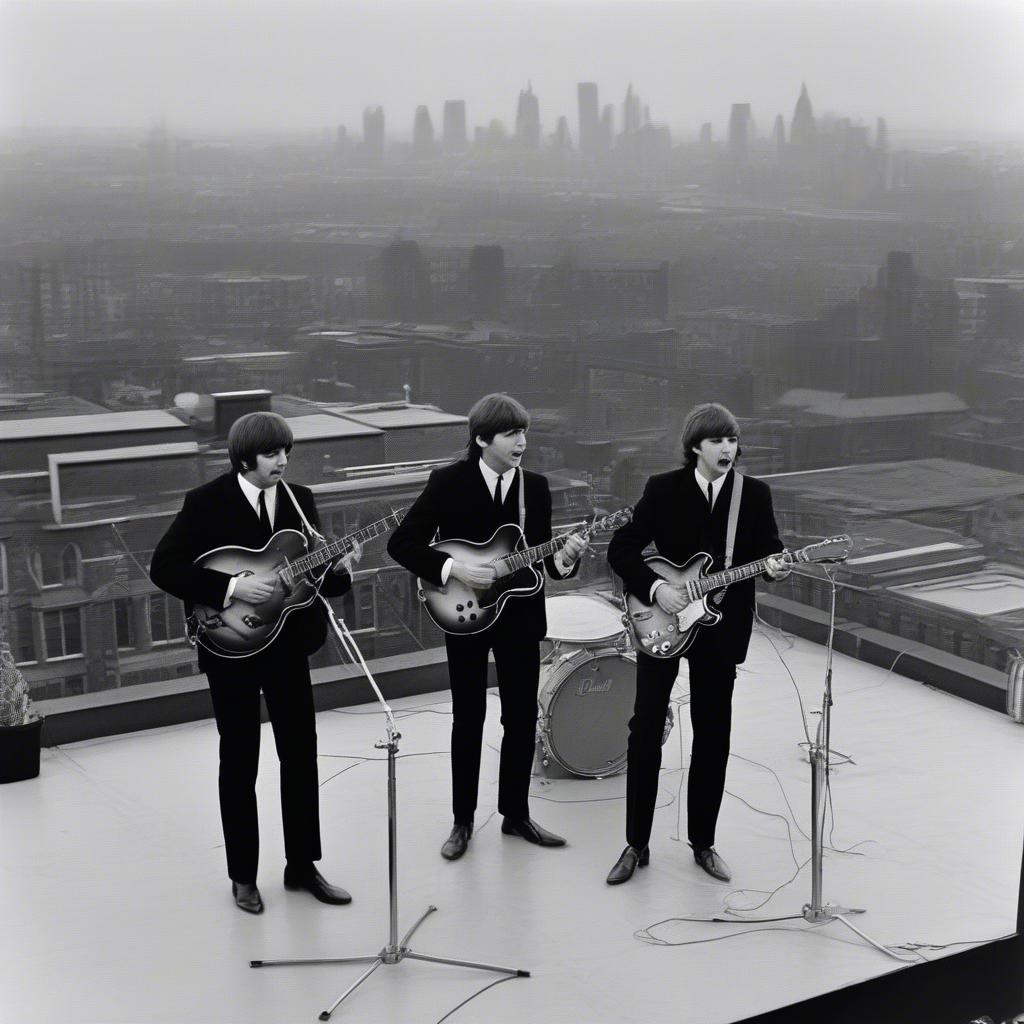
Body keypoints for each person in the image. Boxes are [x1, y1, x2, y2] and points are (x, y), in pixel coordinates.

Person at [150, 411, 360, 914]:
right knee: (240, 761)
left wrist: (342, 571)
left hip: (287, 648)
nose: (282, 461)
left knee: (300, 754)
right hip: (230, 649)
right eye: (272, 454)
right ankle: (243, 876)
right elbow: (164, 567)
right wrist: (231, 587)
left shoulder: (299, 501)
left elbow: (316, 583)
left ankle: (302, 866)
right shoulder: (205, 504)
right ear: (245, 458)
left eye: (286, 451)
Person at [387, 393, 588, 861]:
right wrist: (452, 569)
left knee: (520, 719)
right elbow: (402, 545)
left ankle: (516, 814)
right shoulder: (447, 482)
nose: (522, 442)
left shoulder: (535, 488)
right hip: (466, 616)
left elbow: (542, 563)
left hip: (520, 615)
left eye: (524, 433)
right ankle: (462, 821)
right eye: (511, 434)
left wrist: (565, 559)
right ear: (482, 439)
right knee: (468, 718)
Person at [605, 402, 789, 886]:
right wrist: (655, 589)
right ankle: (635, 844)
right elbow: (621, 548)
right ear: (695, 447)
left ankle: (703, 843)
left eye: (732, 440)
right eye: (717, 441)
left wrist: (778, 566)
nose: (727, 448)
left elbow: (769, 551)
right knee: (645, 730)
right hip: (660, 622)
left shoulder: (754, 495)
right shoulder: (663, 490)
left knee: (713, 735)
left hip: (720, 630)